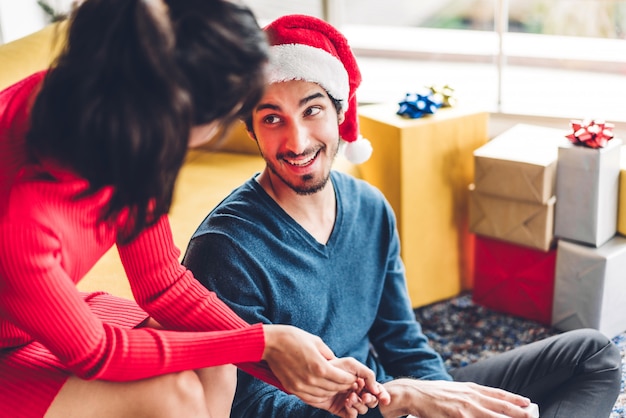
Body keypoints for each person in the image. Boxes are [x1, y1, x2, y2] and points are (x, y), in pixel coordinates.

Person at [183, 14, 623, 418]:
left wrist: (444, 398)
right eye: (272, 118)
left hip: (391, 400)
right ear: (252, 128)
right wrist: (406, 398)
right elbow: (249, 407)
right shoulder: (224, 248)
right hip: (349, 412)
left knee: (593, 354)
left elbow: (402, 341)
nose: (296, 141)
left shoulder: (370, 207)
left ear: (340, 112)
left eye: (311, 109)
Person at [0, 2, 391, 418]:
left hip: (38, 317)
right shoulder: (24, 207)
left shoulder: (116, 114)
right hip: (29, 339)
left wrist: (301, 373)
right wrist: (264, 343)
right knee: (173, 396)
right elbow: (95, 353)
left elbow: (162, 285)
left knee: (216, 364)